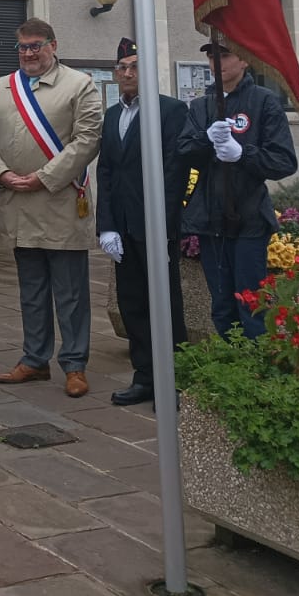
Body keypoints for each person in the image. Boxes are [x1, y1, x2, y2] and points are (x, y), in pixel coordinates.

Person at [0, 18, 103, 398]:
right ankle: (34, 359)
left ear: (53, 45)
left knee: (71, 293)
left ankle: (75, 364)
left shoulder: (80, 85)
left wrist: (42, 178)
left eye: (36, 45)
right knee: (31, 290)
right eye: (23, 47)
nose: (29, 53)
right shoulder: (0, 88)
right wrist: (1, 174)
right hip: (17, 202)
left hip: (60, 202)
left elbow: (88, 139)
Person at [175, 34, 299, 338]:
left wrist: (243, 154)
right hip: (210, 219)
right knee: (221, 306)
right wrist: (206, 139)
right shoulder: (201, 106)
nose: (216, 62)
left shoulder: (263, 101)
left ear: (244, 60)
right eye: (211, 56)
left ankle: (257, 370)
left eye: (225, 55)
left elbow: (284, 161)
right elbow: (183, 151)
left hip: (248, 219)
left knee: (252, 304)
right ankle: (231, 366)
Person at [96, 37, 191, 406]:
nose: (127, 74)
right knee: (132, 304)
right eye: (121, 68)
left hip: (155, 227)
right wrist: (106, 225)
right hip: (122, 227)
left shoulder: (170, 112)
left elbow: (175, 174)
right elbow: (106, 171)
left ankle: (175, 380)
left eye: (134, 67)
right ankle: (145, 377)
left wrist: (162, 226)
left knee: (166, 306)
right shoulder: (113, 115)